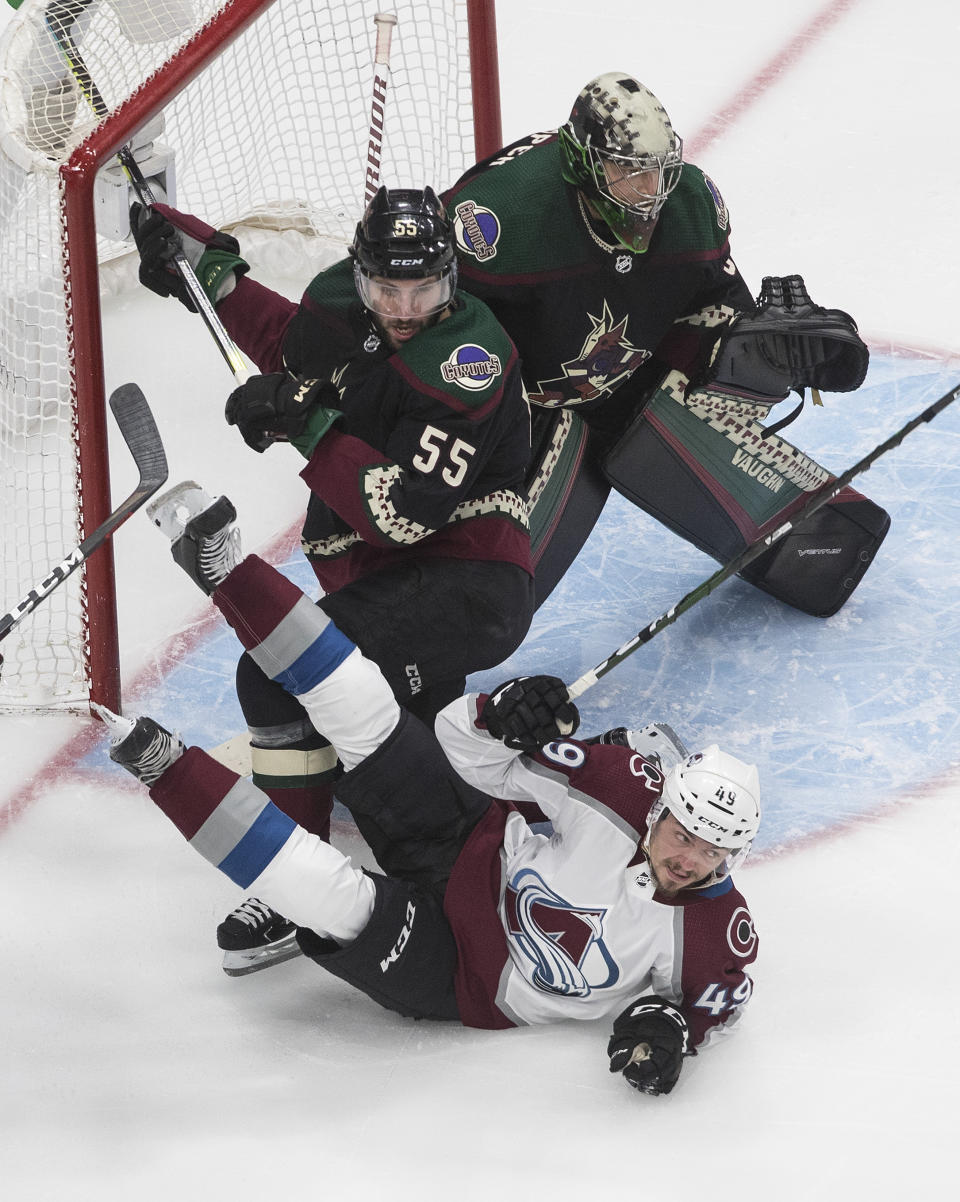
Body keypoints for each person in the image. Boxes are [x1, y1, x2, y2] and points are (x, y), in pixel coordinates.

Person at [99, 493, 761, 1097]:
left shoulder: (716, 933)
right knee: (370, 716)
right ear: (661, 806)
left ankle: (161, 765)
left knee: (336, 898)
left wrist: (665, 1023)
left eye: (713, 851)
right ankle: (225, 568)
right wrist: (499, 715)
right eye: (684, 833)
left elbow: (703, 1007)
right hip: (471, 839)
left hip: (465, 976)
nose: (690, 857)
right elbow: (459, 746)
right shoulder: (620, 784)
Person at [131, 186, 535, 973]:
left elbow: (407, 515)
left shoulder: (471, 364)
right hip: (394, 584)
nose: (406, 307)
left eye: (424, 289)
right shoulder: (342, 302)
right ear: (361, 277)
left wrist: (305, 423)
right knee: (401, 772)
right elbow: (292, 344)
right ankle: (478, 887)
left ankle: (291, 889)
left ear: (453, 281)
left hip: (465, 580)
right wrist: (205, 272)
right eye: (388, 289)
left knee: (279, 678)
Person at [441, 72, 890, 617]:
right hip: (527, 409)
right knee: (487, 612)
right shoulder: (497, 219)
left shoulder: (691, 202)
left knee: (747, 343)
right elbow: (431, 335)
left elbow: (720, 305)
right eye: (628, 170)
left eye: (657, 171)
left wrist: (777, 351)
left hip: (628, 377)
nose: (649, 192)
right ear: (584, 162)